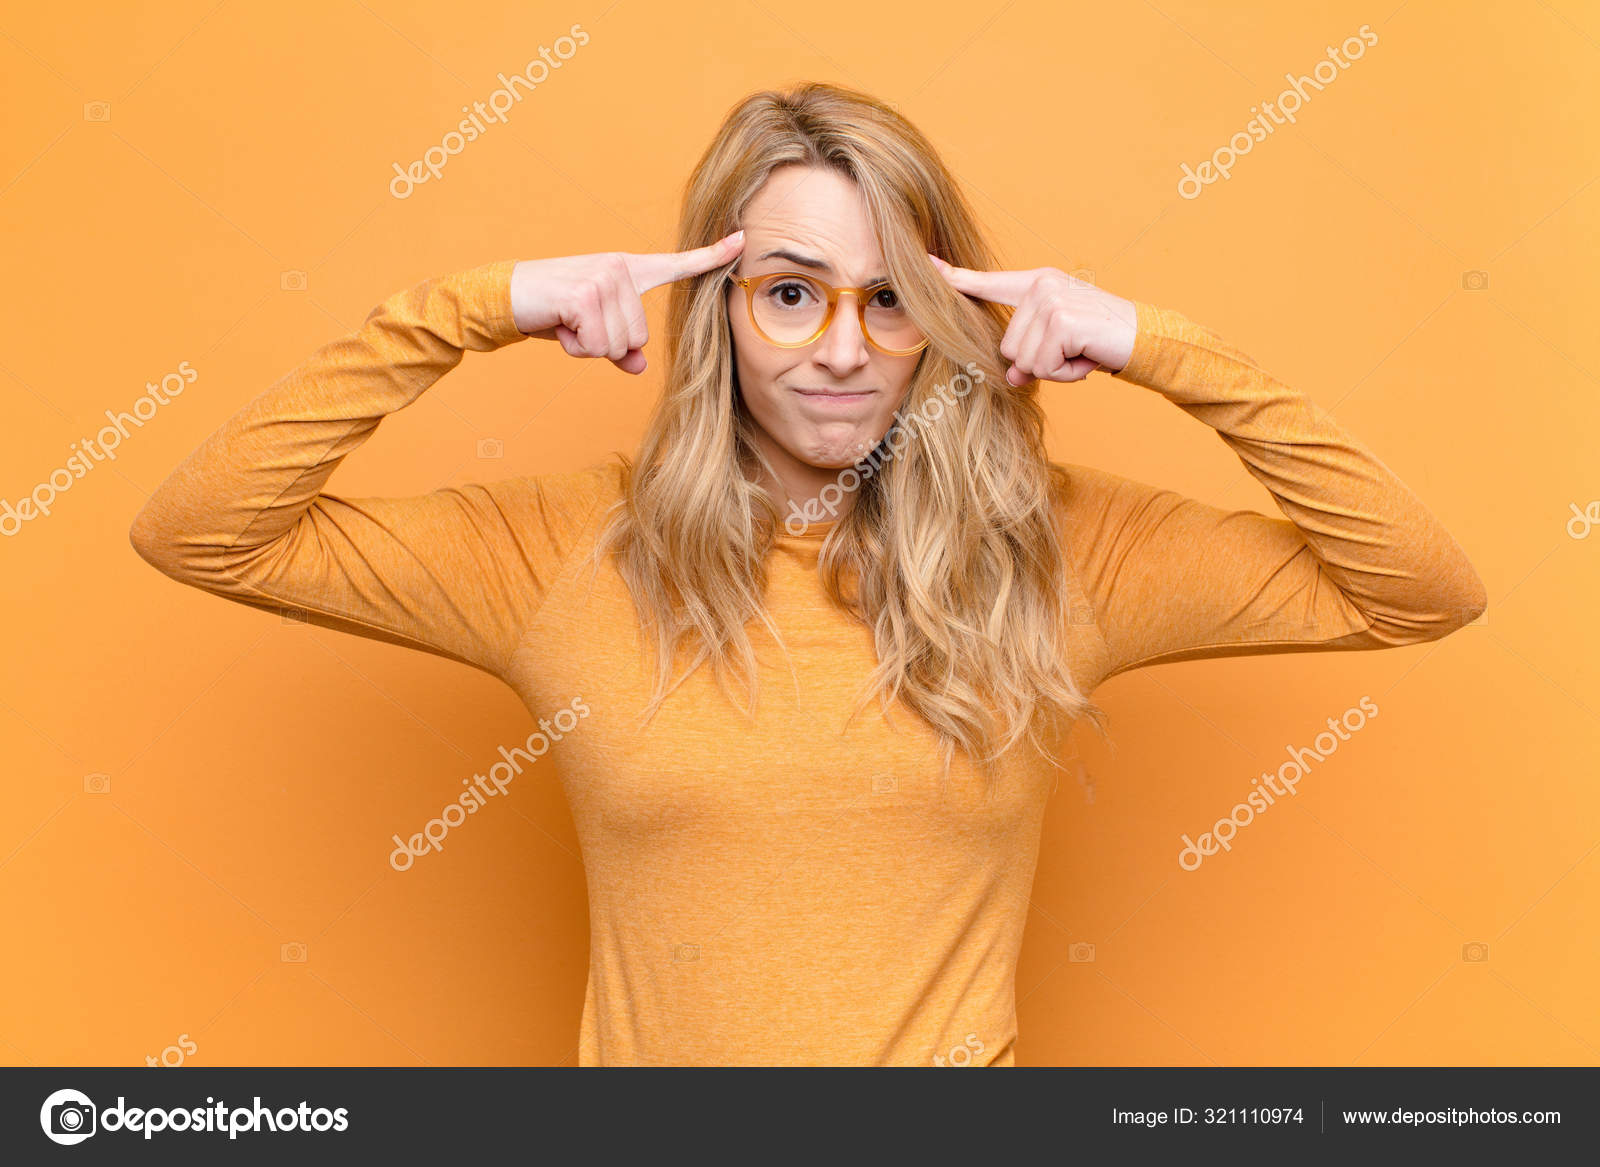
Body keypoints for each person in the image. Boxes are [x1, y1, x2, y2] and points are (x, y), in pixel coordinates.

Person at [128, 80, 1487, 1066]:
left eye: (889, 295)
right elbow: (203, 528)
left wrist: (1157, 343)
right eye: (792, 290)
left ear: (945, 318)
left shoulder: (1054, 551)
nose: (842, 346)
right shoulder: (561, 552)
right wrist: (479, 308)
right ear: (720, 308)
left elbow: (1418, 588)